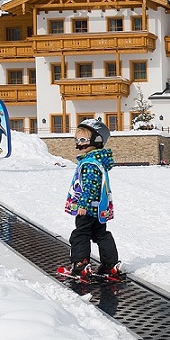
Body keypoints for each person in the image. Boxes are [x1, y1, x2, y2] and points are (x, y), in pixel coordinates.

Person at [57, 117, 123, 281]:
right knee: (101, 234)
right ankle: (110, 264)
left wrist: (83, 204)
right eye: (77, 140)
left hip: (87, 208)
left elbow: (89, 186)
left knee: (80, 234)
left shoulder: (89, 163)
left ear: (96, 140)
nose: (79, 143)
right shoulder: (100, 161)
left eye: (83, 139)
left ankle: (80, 264)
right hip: (99, 208)